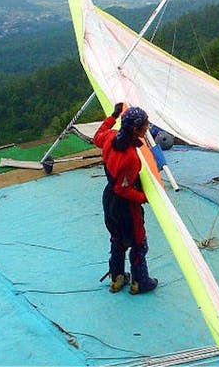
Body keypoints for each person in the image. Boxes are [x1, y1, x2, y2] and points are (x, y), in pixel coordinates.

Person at [94, 103, 158, 295]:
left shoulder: (111, 136)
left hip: (109, 200)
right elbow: (123, 189)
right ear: (136, 130)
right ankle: (139, 282)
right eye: (145, 125)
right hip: (125, 205)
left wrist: (112, 116)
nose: (147, 127)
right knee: (138, 242)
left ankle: (117, 278)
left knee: (117, 238)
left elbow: (98, 136)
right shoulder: (130, 157)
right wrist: (145, 197)